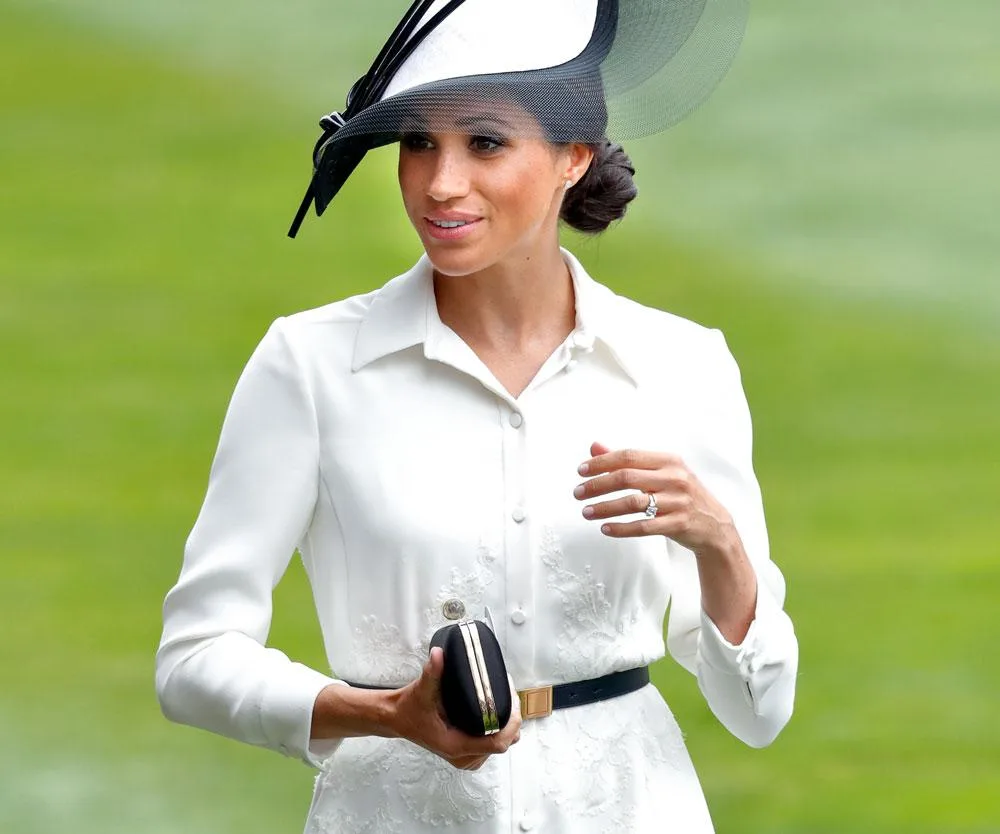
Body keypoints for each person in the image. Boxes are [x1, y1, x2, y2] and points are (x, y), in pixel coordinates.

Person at [156, 0, 799, 831]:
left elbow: (759, 712)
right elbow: (194, 660)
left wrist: (720, 544)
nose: (439, 183)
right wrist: (385, 714)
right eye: (418, 142)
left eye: (484, 142)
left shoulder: (684, 365)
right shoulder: (309, 365)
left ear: (574, 156)